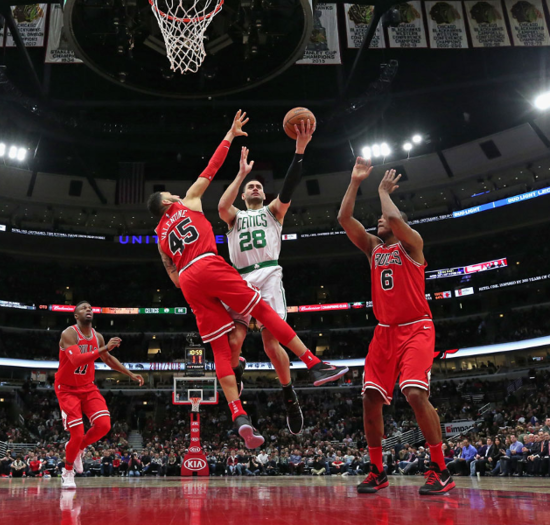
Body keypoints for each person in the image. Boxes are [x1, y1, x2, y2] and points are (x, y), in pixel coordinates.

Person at [148, 111, 347, 449]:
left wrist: (298, 152)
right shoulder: (218, 210)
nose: (177, 194)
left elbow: (173, 275)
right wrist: (231, 144)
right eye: (171, 194)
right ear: (169, 201)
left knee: (245, 346)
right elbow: (212, 173)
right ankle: (312, 364)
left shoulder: (160, 236)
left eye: (258, 184)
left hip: (219, 275)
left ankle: (254, 407)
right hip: (220, 269)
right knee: (246, 331)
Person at [218, 121, 343, 435]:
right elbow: (221, 205)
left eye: (259, 185)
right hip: (241, 278)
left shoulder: (274, 211)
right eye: (251, 187)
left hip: (270, 273)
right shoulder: (235, 217)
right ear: (244, 194)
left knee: (272, 342)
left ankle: (289, 394)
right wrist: (241, 174)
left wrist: (299, 151)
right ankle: (237, 370)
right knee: (234, 341)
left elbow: (288, 186)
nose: (256, 188)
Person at [337, 160, 454, 496]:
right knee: (370, 400)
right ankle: (377, 470)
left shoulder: (412, 244)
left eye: (385, 220)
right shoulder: (374, 248)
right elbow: (345, 219)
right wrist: (355, 181)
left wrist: (383, 191)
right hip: (384, 332)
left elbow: (392, 218)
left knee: (415, 393)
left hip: (417, 328)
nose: (379, 221)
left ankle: (440, 468)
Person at [56, 301, 144, 489]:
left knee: (104, 425)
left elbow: (108, 359)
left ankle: (80, 448)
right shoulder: (69, 333)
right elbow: (77, 359)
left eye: (90, 307)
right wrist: (104, 349)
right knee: (77, 433)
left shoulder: (98, 337)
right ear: (76, 316)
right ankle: (68, 471)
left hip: (88, 387)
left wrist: (129, 373)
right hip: (67, 389)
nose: (88, 309)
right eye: (83, 308)